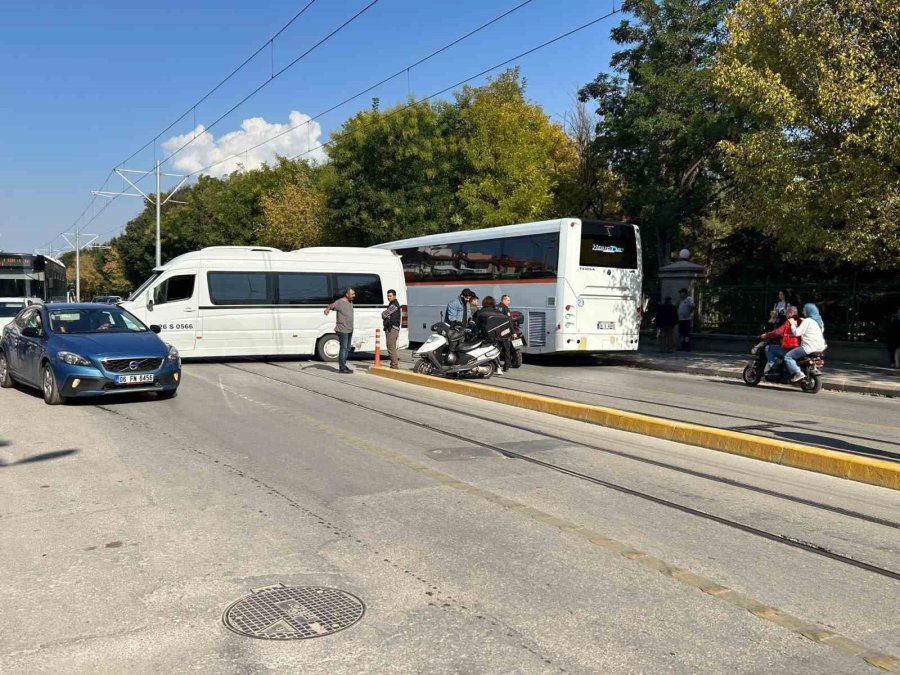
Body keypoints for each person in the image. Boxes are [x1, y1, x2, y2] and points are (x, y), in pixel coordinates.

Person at [785, 303, 827, 382]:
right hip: (820, 347)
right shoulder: (819, 321)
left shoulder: (808, 321)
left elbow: (797, 333)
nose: (803, 312)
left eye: (804, 310)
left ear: (809, 311)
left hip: (809, 347)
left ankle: (798, 373)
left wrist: (792, 324)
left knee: (788, 356)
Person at [474, 296, 511, 375]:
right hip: (495, 337)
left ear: (484, 303)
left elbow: (476, 325)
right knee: (495, 350)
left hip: (484, 336)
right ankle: (498, 367)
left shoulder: (480, 312)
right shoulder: (498, 313)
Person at [324, 288, 356, 374]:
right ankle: (342, 367)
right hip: (342, 329)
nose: (354, 296)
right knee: (344, 347)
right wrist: (327, 309)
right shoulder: (340, 302)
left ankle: (344, 365)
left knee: (347, 348)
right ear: (347, 294)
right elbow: (332, 305)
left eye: (354, 294)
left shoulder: (350, 302)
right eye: (352, 294)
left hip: (349, 329)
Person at [760, 305, 799, 372]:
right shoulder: (800, 321)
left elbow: (778, 332)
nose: (786, 315)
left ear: (791, 313)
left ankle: (774, 367)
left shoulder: (789, 321)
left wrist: (766, 335)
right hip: (798, 348)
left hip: (789, 347)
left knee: (768, 348)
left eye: (787, 313)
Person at [381, 289, 401, 369]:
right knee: (390, 346)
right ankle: (393, 364)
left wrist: (386, 316)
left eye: (390, 296)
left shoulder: (394, 305)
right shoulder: (392, 304)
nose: (388, 297)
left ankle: (394, 365)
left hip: (392, 328)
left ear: (394, 296)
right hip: (391, 328)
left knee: (391, 346)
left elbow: (384, 314)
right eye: (388, 296)